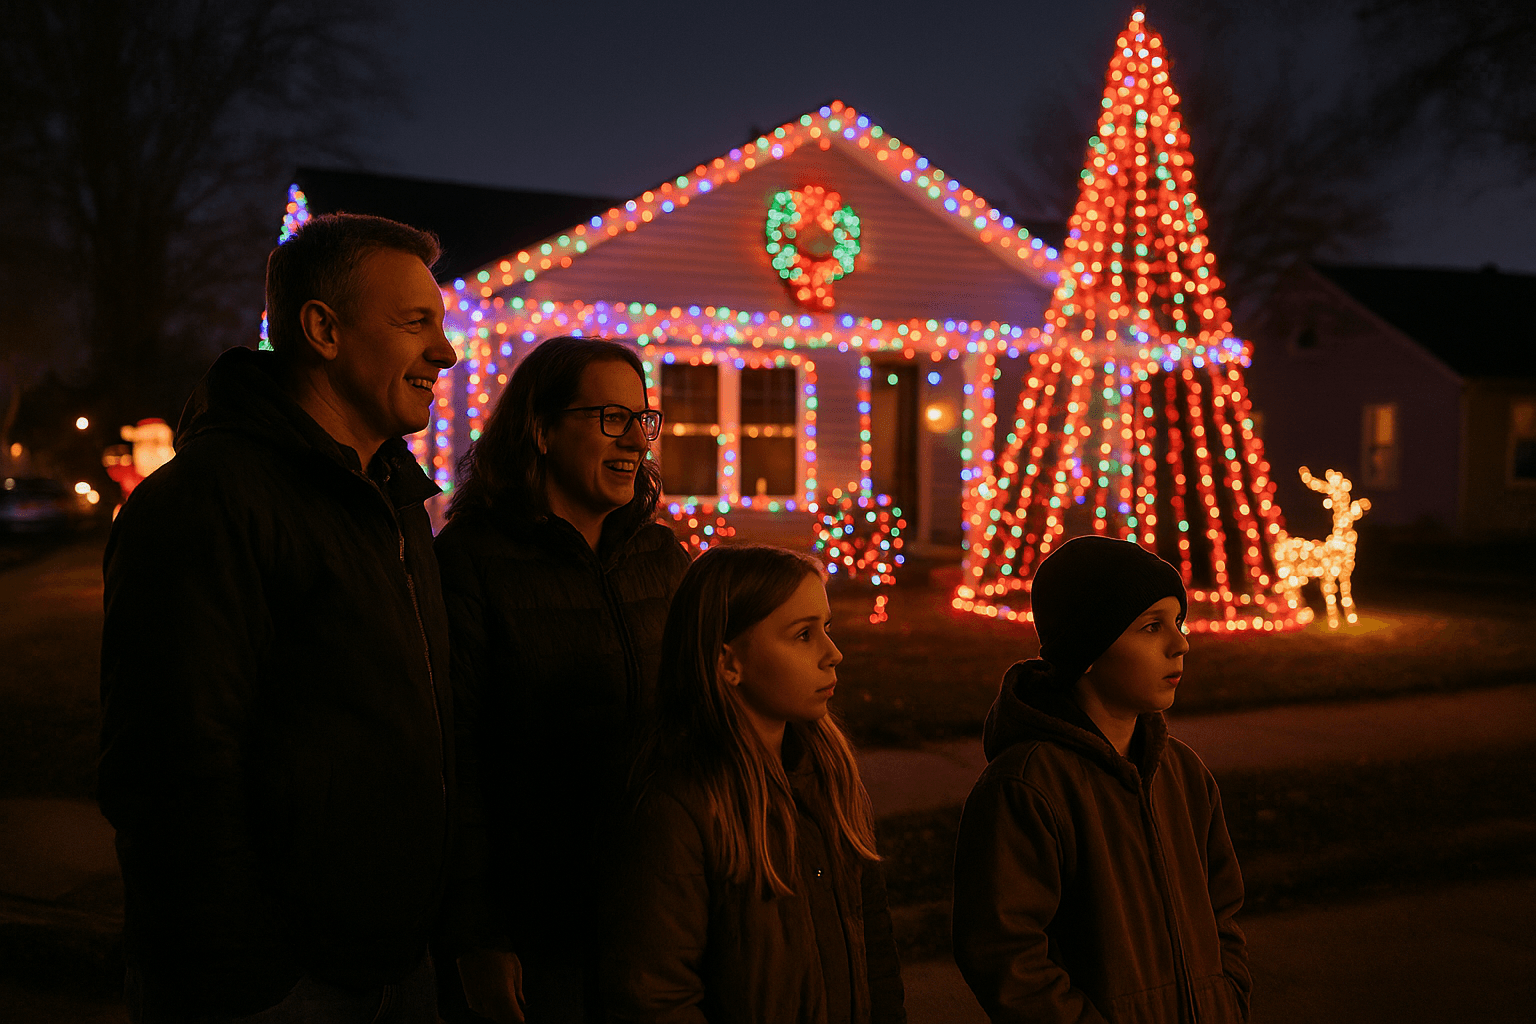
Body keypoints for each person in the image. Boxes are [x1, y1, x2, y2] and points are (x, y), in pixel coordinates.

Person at [99, 213, 516, 1023]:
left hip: (397, 964)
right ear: (321, 329)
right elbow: (169, 771)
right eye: (415, 323)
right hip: (277, 985)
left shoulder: (395, 505)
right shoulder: (208, 504)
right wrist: (251, 978)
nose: (447, 352)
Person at [433, 336, 691, 1022]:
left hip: (657, 909)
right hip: (539, 926)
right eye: (611, 417)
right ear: (540, 430)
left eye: (643, 419)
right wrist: (479, 934)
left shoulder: (661, 556)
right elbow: (452, 757)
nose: (636, 439)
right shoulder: (471, 560)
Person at [951, 535, 1251, 1024]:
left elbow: (1223, 912)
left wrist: (1228, 997)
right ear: (1086, 650)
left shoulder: (1184, 774)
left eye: (1178, 622)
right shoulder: (1027, 788)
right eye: (1151, 627)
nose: (1181, 643)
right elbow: (1005, 954)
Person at [603, 544, 906, 1024]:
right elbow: (655, 997)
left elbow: (874, 950)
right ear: (729, 663)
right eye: (803, 635)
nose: (834, 654)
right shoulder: (681, 808)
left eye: (826, 628)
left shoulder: (828, 778)